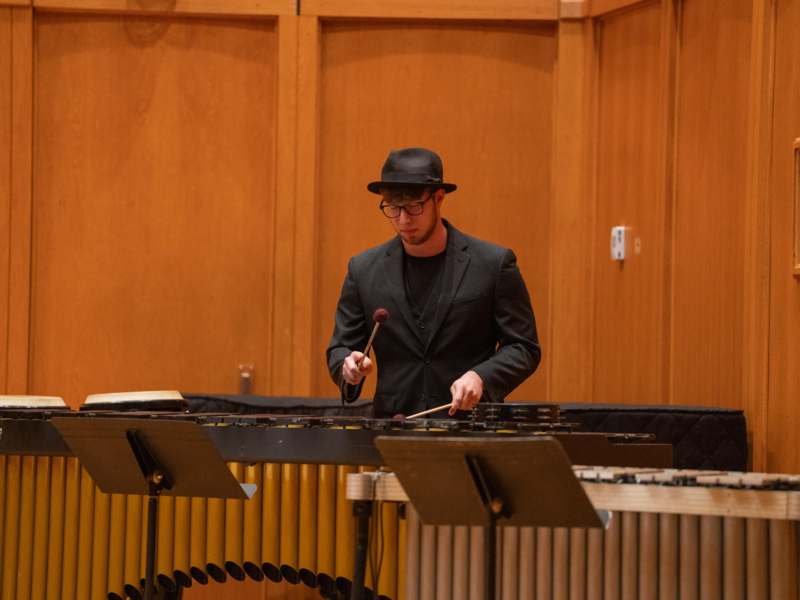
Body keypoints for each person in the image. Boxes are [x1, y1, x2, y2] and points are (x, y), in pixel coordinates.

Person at [326, 147, 541, 418]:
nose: (403, 220)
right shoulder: (364, 269)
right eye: (393, 208)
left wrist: (481, 376)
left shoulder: (493, 264)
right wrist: (348, 366)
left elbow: (523, 347)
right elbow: (340, 347)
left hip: (468, 429)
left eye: (414, 206)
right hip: (394, 430)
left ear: (438, 199)